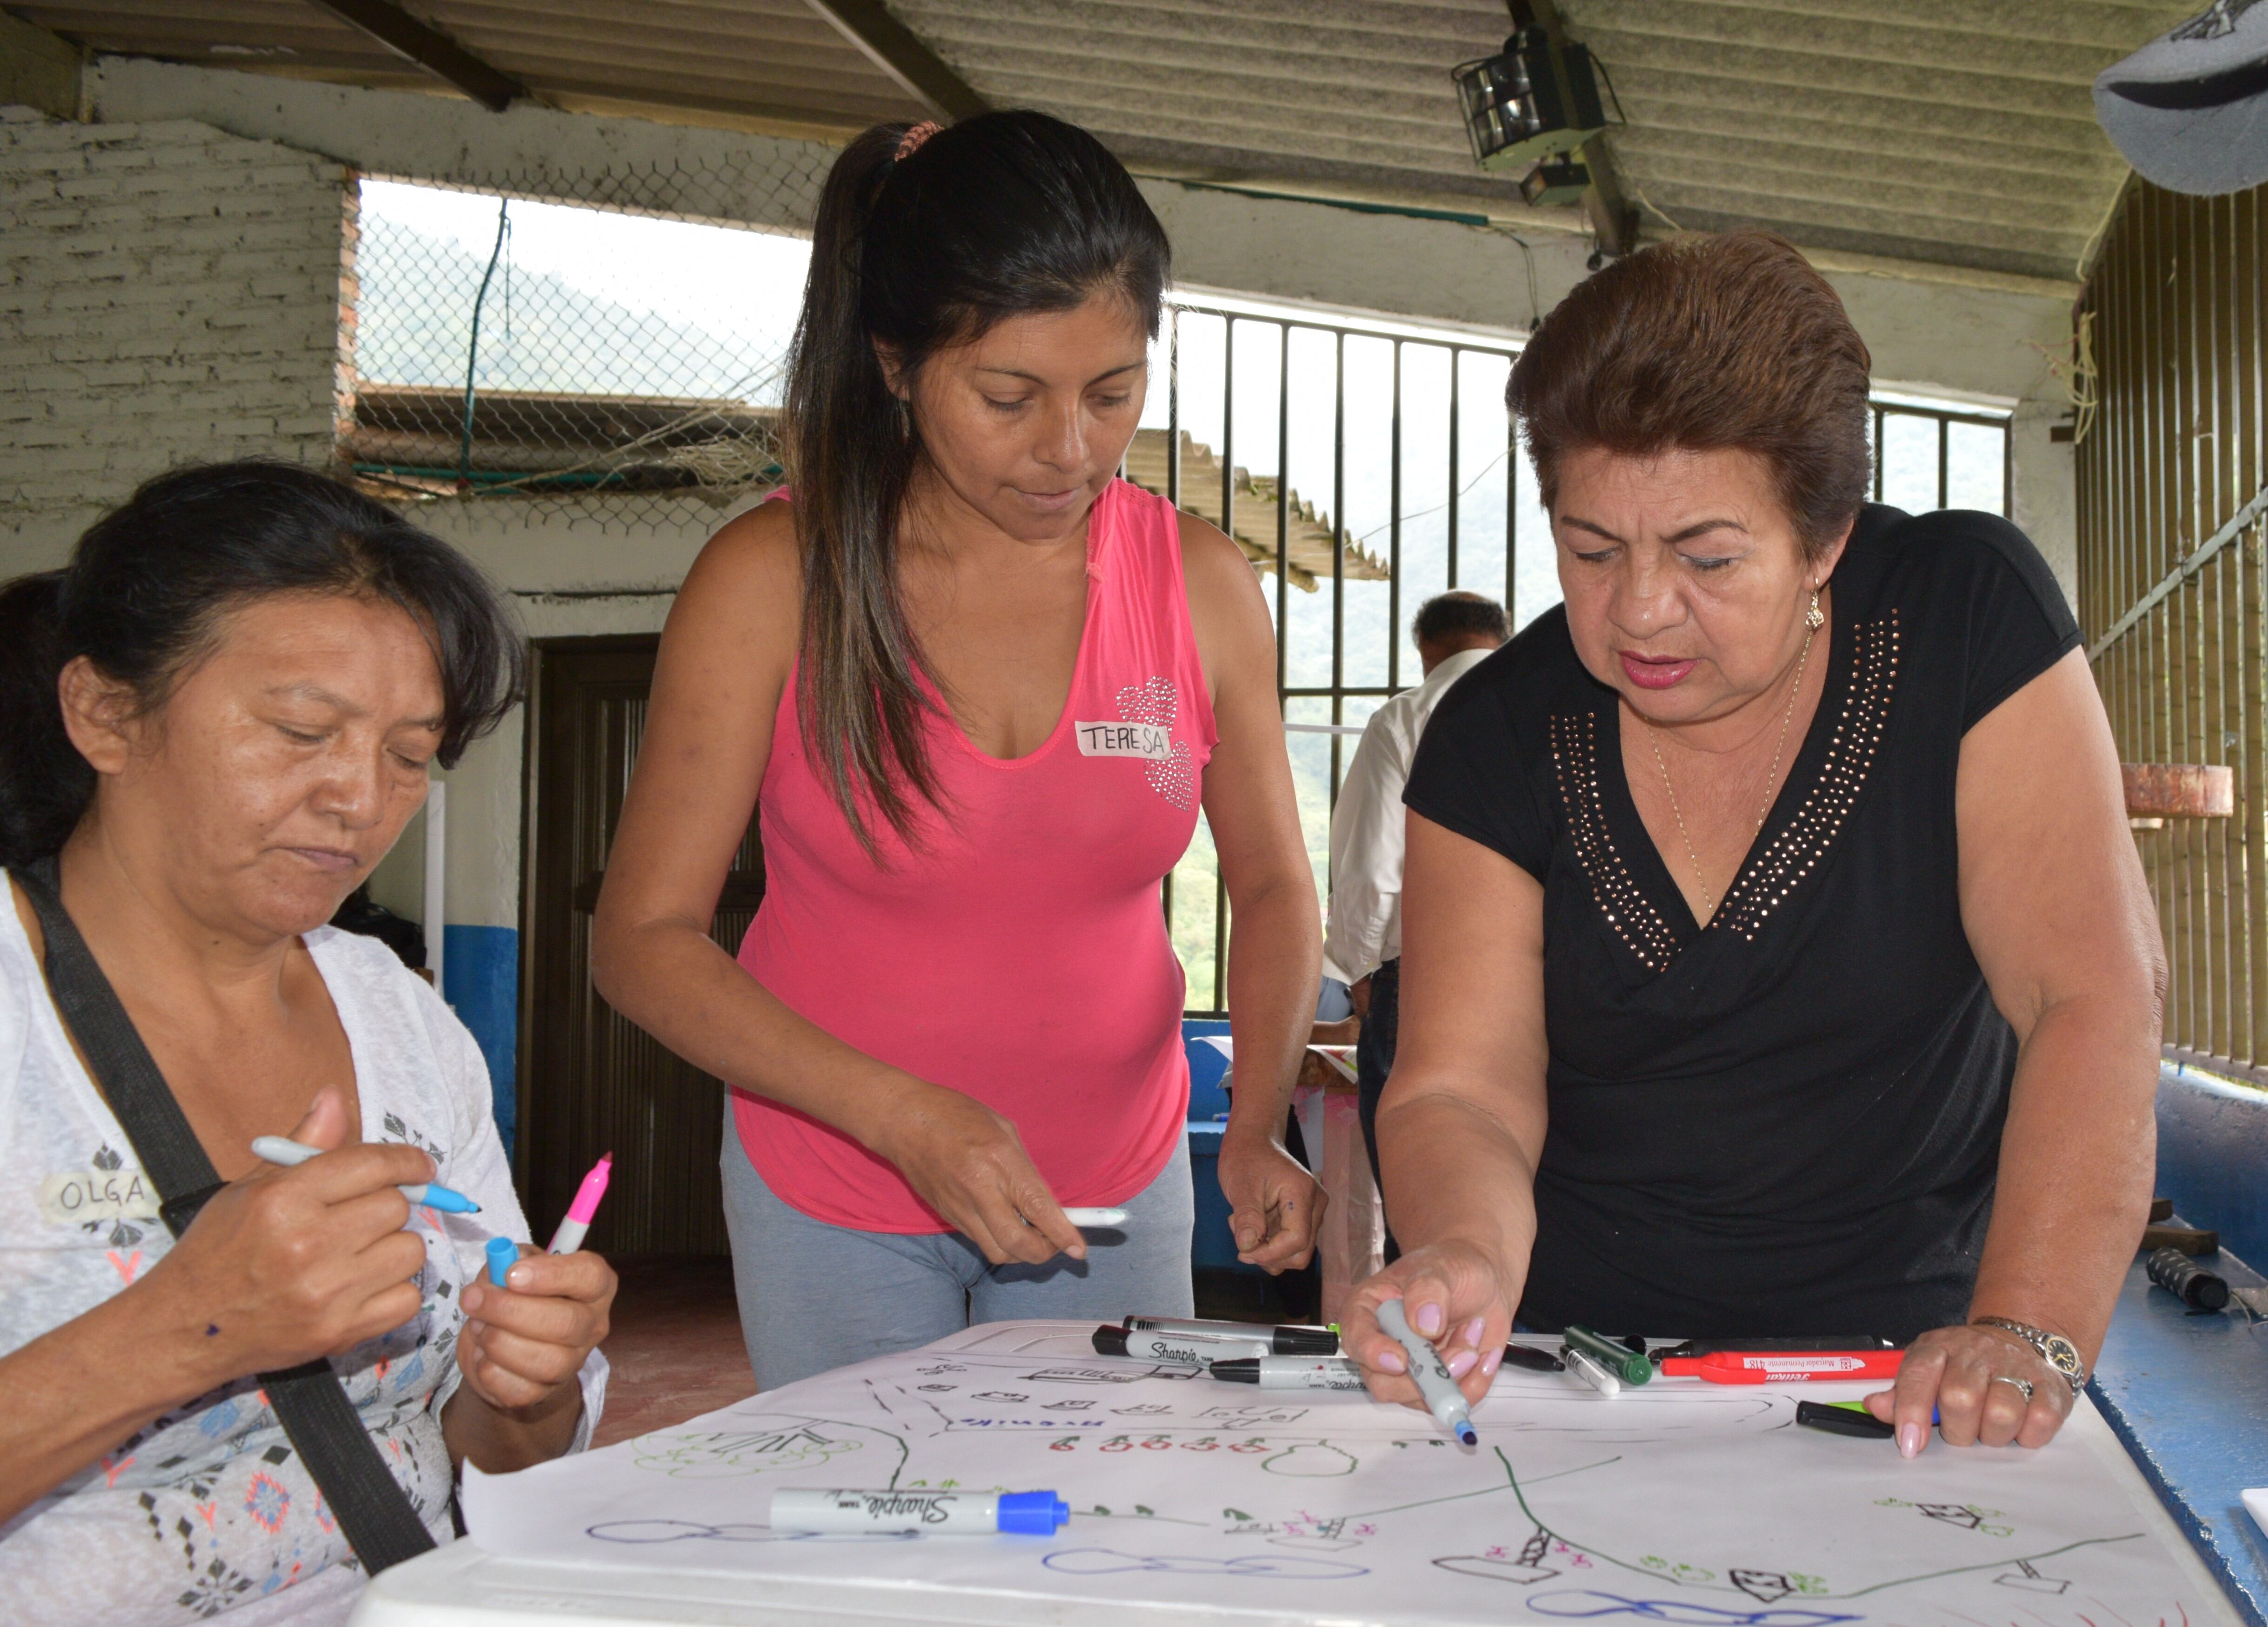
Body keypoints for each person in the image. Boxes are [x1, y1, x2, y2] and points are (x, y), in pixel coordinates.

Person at [1339, 231, 2162, 1459]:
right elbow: (1465, 1087)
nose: (1639, 611)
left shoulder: (1958, 619)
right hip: (1578, 1383)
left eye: (1708, 556)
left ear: (1825, 539)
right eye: (1589, 549)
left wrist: (2024, 1325)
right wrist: (1459, 1250)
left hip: (1908, 1379)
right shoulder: (1495, 736)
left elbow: (2086, 994)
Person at [592, 112, 1323, 1389]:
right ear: (892, 362)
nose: (1069, 449)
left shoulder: (1199, 584)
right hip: (838, 1180)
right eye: (1008, 397)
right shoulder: (774, 580)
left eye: (1112, 394)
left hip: (1111, 1183)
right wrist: (901, 1116)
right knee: (883, 1554)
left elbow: (1267, 883)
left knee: (1095, 1549)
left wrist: (1255, 1125)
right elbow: (641, 939)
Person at [0, 462, 614, 1625]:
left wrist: (524, 1390)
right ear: (104, 714)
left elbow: (488, 1458)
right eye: (299, 730)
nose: (358, 798)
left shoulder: (397, 1017)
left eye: (407, 755)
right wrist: (188, 1328)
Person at [1323, 591, 1508, 1231]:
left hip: (1425, 977)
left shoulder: (1404, 719)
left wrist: (1362, 971)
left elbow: (1368, 868)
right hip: (1540, 981)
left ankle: (1426, 1328)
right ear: (1501, 640)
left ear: (1427, 651)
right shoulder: (1554, 711)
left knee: (1422, 1200)